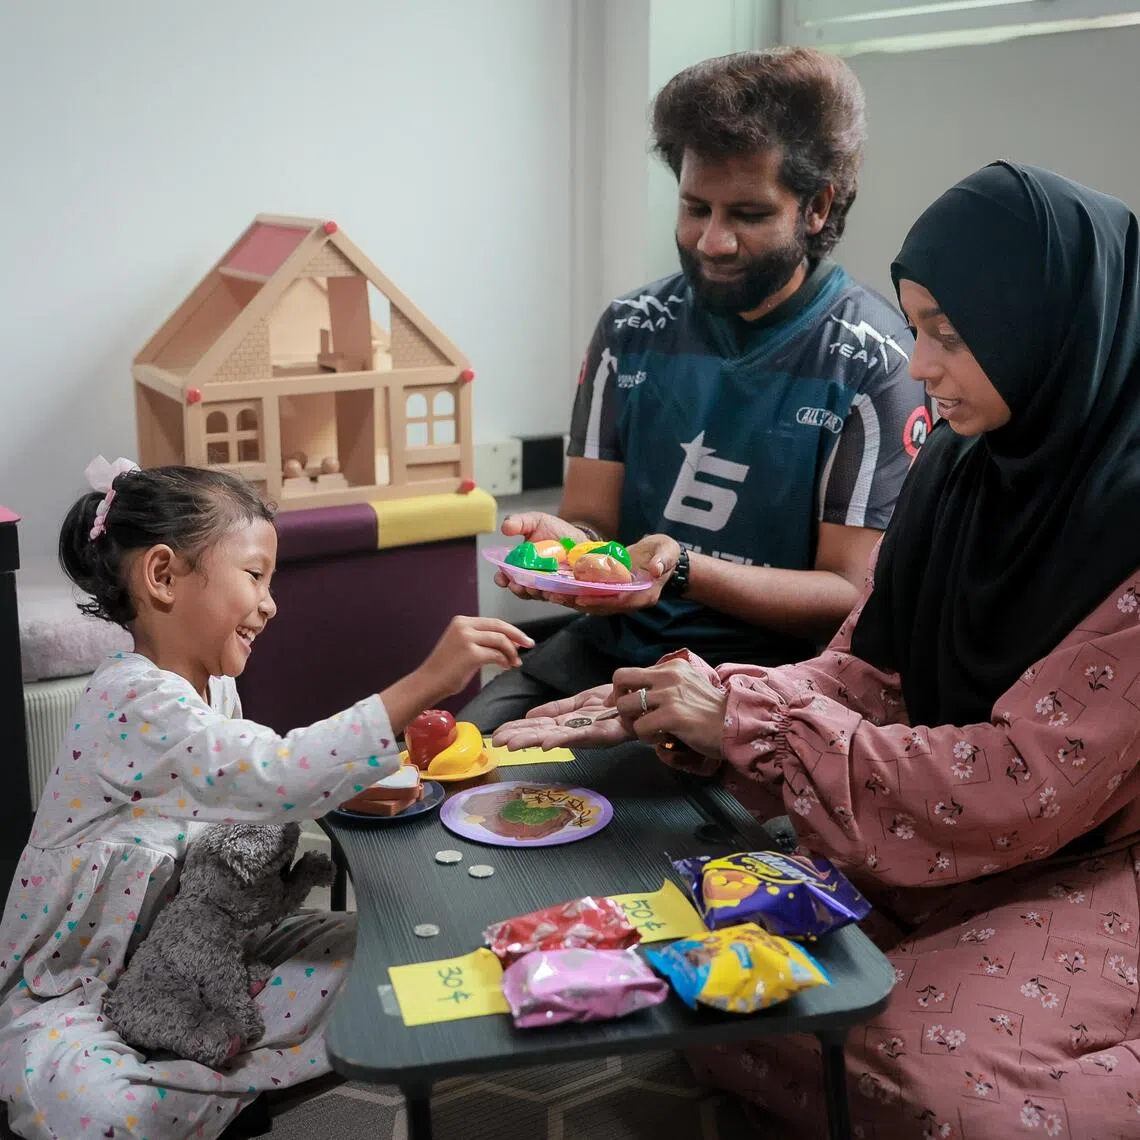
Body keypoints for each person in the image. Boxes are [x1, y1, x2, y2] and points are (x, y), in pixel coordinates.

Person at [494, 163, 1140, 1137]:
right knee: (698, 962)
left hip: (1098, 857)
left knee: (915, 1071)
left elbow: (1024, 782)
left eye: (950, 339)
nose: (920, 365)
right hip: (950, 827)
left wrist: (755, 724)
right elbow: (867, 670)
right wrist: (705, 699)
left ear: (1052, 332)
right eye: (919, 329)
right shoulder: (961, 473)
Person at [0, 461, 533, 1140]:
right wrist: (424, 684)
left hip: (203, 957)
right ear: (163, 577)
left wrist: (373, 777)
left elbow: (265, 788)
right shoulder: (129, 699)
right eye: (254, 576)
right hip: (79, 995)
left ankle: (198, 1073)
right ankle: (198, 1085)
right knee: (84, 1108)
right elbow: (273, 774)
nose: (270, 602)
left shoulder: (214, 687)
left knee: (391, 965)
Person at [462, 47, 930, 733]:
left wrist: (683, 570)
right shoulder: (630, 329)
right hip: (613, 650)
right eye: (694, 207)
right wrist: (570, 550)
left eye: (746, 213)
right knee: (464, 764)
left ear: (816, 206)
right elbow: (594, 521)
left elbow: (846, 594)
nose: (712, 241)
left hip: (767, 684)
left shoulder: (874, 364)